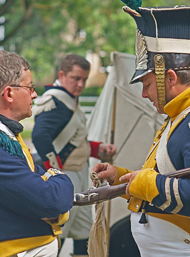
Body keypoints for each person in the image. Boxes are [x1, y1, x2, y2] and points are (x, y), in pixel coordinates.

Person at [92, 5, 190, 257]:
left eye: (148, 84)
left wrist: (145, 183)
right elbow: (169, 179)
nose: (144, 94)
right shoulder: (182, 117)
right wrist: (121, 178)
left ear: (171, 77)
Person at [0, 50, 74, 257]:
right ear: (9, 94)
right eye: (30, 88)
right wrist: (61, 178)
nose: (35, 94)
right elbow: (51, 201)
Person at [31, 53, 116, 257]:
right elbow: (40, 136)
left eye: (83, 80)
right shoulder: (55, 101)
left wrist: (97, 149)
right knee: (57, 234)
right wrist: (54, 170)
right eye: (75, 78)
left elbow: (75, 141)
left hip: (76, 176)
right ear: (62, 74)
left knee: (83, 232)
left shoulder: (69, 100)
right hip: (64, 177)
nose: (80, 84)